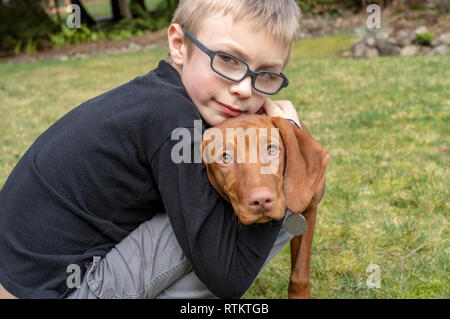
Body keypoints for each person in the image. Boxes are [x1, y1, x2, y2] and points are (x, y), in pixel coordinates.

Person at [0, 0, 302, 299]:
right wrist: (289, 148)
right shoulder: (174, 122)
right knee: (288, 183)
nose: (245, 89)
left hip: (22, 278)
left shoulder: (157, 96)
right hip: (56, 290)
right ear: (179, 45)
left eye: (266, 76)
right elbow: (229, 277)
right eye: (227, 59)